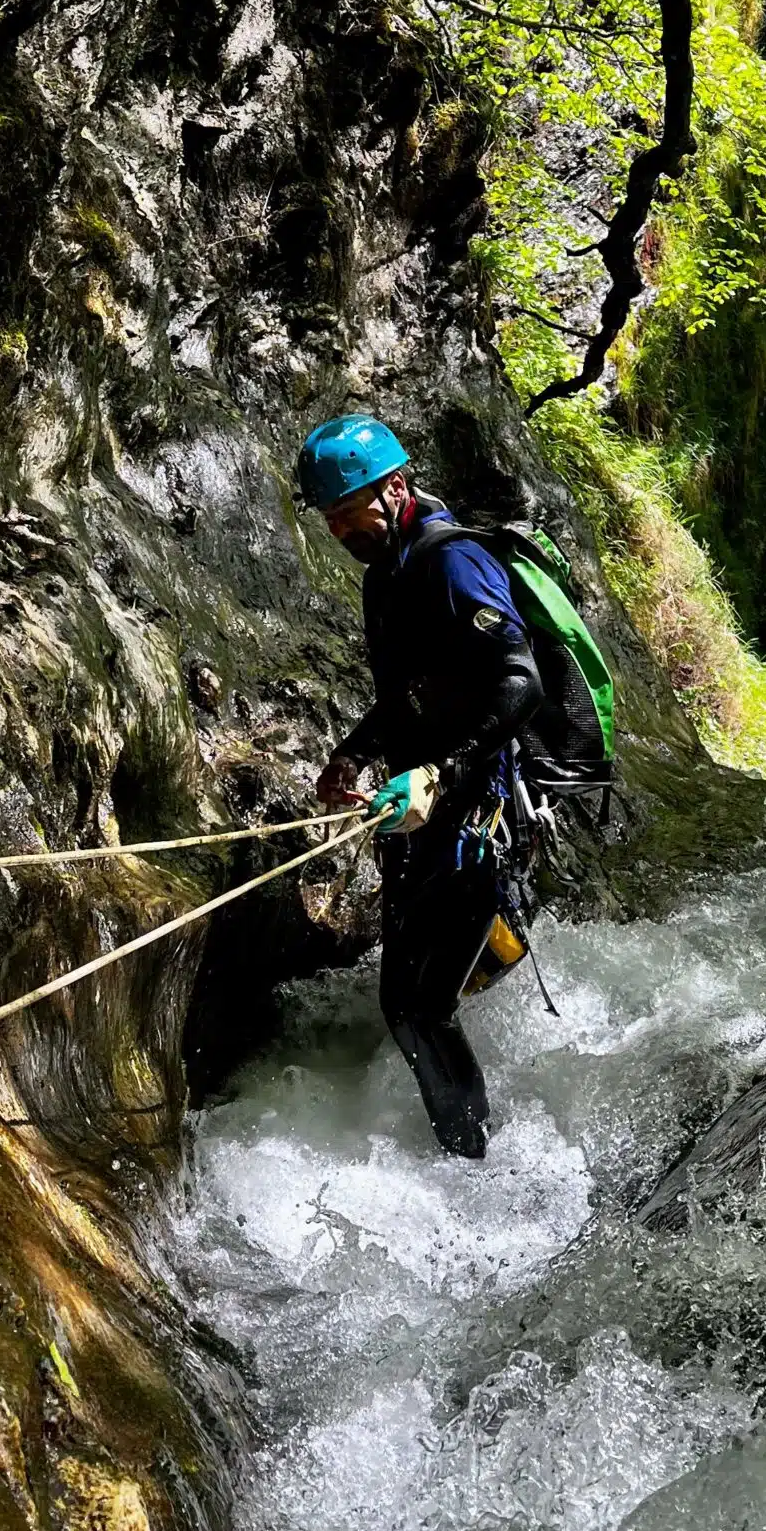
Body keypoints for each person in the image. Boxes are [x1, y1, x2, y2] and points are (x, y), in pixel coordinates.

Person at [299, 413, 553, 1160]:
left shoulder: (452, 565)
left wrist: (444, 770)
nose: (345, 533)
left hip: (474, 809)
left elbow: (520, 681)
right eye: (333, 521)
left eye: (352, 514)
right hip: (423, 817)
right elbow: (409, 692)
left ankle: (474, 1162)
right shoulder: (390, 575)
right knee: (405, 1002)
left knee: (419, 1005)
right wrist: (353, 752)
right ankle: (468, 1147)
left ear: (397, 487)